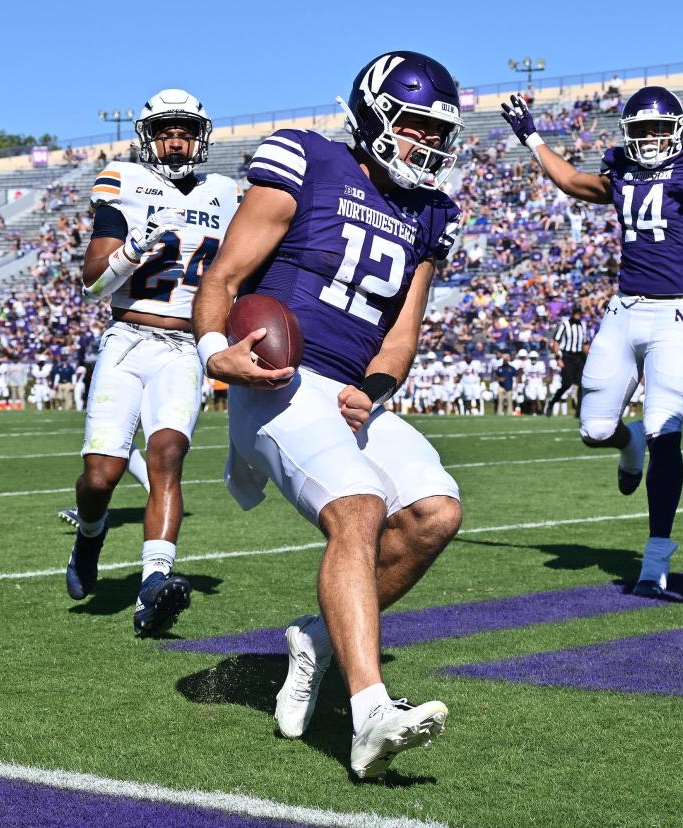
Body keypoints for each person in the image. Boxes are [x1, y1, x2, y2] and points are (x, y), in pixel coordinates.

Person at [192, 51, 463, 779]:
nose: (429, 146)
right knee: (360, 506)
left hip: (348, 392)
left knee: (435, 513)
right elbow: (226, 274)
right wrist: (215, 353)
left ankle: (316, 638)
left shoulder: (430, 211)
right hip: (277, 382)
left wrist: (374, 390)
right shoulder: (307, 159)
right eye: (416, 128)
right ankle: (371, 710)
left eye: (441, 135)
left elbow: (403, 330)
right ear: (374, 114)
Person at [500, 46, 683, 595]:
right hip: (622, 308)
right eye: (643, 128)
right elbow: (573, 183)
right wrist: (532, 138)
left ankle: (657, 552)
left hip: (676, 313)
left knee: (668, 431)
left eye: (661, 128)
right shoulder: (619, 168)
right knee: (593, 429)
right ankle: (626, 442)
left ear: (678, 130)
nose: (652, 138)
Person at [63, 87, 238, 637]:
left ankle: (152, 585)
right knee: (101, 475)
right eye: (166, 131)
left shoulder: (226, 193)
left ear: (200, 138)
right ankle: (89, 535)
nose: (177, 140)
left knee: (167, 456)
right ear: (149, 137)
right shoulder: (125, 182)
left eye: (185, 131)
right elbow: (92, 283)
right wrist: (133, 248)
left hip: (185, 347)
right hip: (128, 339)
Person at [544, 308, 587, 416]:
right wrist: (558, 358)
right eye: (576, 312)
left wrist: (588, 358)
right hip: (568, 356)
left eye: (579, 312)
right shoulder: (565, 325)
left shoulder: (582, 325)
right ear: (572, 313)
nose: (578, 314)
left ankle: (579, 411)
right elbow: (556, 342)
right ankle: (552, 402)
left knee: (582, 384)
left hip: (579, 357)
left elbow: (585, 344)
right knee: (566, 384)